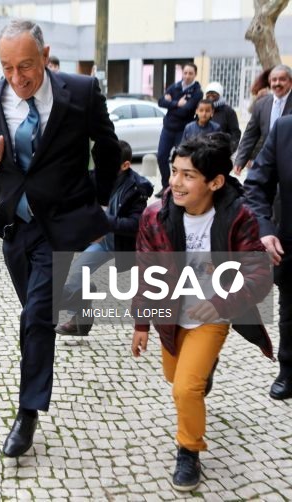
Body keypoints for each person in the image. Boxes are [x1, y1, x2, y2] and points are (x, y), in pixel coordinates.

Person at [0, 19, 120, 458]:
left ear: (45, 54)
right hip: (17, 226)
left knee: (36, 315)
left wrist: (96, 199)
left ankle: (27, 412)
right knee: (35, 313)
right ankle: (56, 322)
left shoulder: (81, 91)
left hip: (62, 226)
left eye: (26, 66)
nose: (17, 79)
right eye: (7, 68)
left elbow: (109, 149)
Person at [131, 133, 273, 491]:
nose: (175, 182)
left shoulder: (238, 217)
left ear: (215, 182)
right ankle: (199, 375)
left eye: (188, 175)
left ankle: (189, 450)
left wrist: (217, 304)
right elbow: (146, 271)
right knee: (175, 377)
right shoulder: (155, 216)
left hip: (213, 316)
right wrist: (141, 323)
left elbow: (259, 275)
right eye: (174, 172)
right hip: (170, 316)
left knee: (184, 389)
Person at [56, 140, 153, 336]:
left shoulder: (137, 189)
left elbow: (135, 225)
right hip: (102, 243)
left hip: (128, 246)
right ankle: (80, 320)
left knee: (146, 289)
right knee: (77, 275)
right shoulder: (95, 178)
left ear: (125, 165)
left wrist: (102, 221)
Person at [244, 114, 292, 400]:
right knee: (290, 311)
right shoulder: (284, 129)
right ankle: (289, 369)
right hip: (290, 242)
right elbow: (256, 186)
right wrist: (264, 228)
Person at [234, 64, 292, 175]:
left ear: (290, 82)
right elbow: (250, 134)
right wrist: (240, 160)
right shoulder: (261, 104)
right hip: (266, 160)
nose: (277, 83)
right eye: (274, 80)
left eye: (282, 79)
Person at [155, 63, 202, 197]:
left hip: (183, 130)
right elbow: (160, 102)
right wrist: (177, 103)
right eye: (185, 73)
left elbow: (187, 109)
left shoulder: (197, 92)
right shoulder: (175, 86)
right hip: (168, 128)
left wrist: (170, 104)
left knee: (182, 160)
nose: (187, 76)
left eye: (190, 73)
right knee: (161, 157)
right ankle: (166, 186)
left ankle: (180, 186)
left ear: (195, 75)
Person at [203, 81, 240, 153]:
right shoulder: (203, 109)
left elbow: (235, 133)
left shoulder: (228, 111)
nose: (210, 98)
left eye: (213, 95)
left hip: (221, 151)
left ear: (220, 95)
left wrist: (230, 150)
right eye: (208, 95)